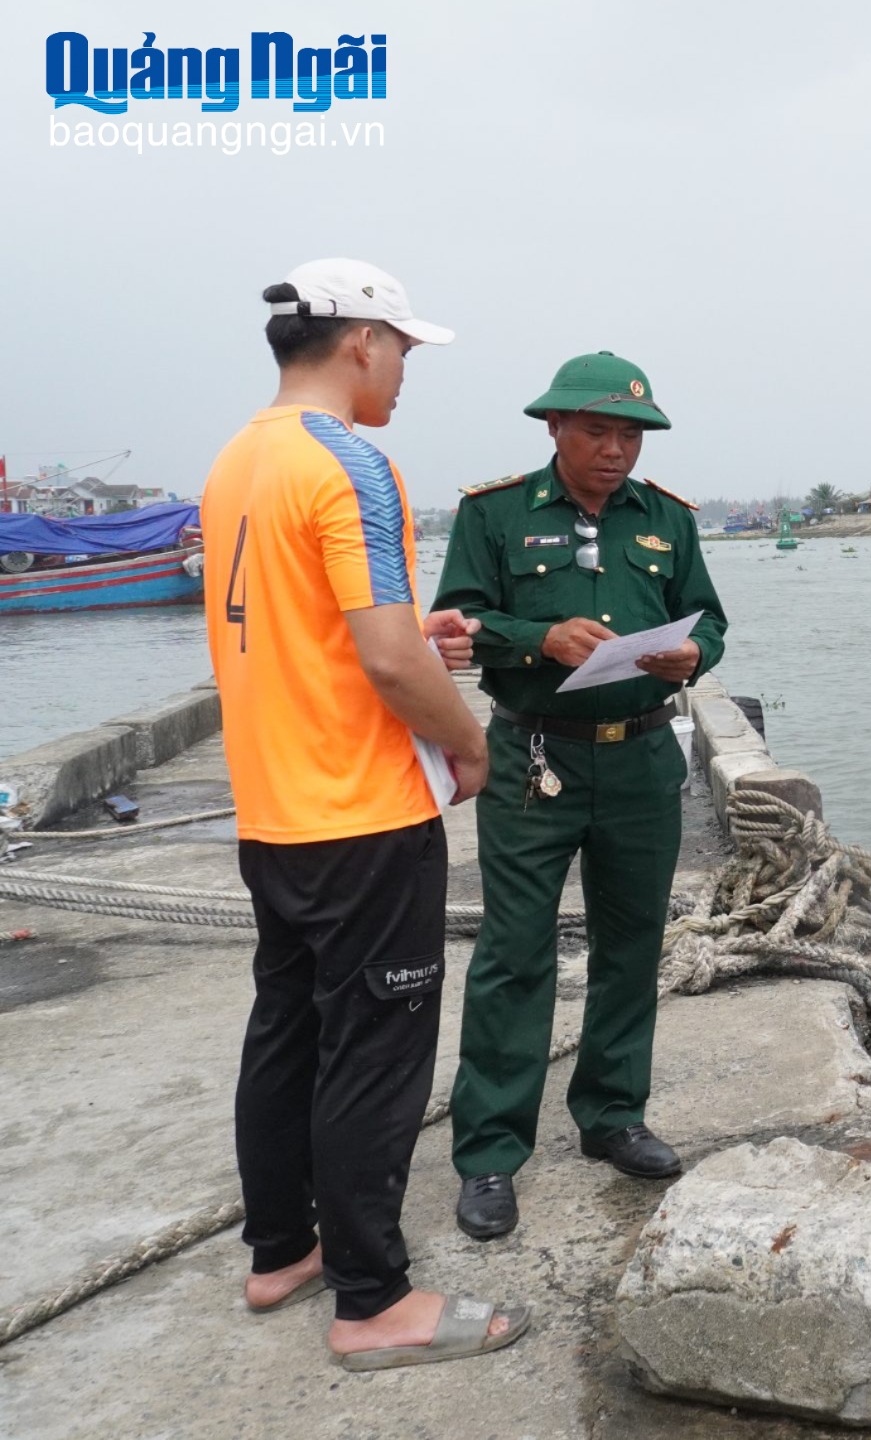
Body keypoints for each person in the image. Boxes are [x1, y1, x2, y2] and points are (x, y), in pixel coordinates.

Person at [203, 257, 529, 1368]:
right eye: (401, 349)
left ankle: (279, 1249)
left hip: (273, 809)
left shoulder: (236, 460)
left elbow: (314, 633)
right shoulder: (352, 461)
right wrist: (468, 739)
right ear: (357, 344)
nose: (405, 371)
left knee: (287, 1029)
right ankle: (371, 1302)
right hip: (361, 812)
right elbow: (389, 658)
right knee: (377, 1049)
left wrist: (409, 649)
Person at [432, 352, 729, 1240]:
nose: (614, 450)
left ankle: (611, 1114)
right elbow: (461, 624)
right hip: (533, 758)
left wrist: (694, 656)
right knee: (514, 954)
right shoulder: (493, 514)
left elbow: (707, 616)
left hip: (640, 760)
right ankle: (489, 1153)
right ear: (554, 428)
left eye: (630, 434)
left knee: (632, 946)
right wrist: (539, 640)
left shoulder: (666, 520)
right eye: (597, 431)